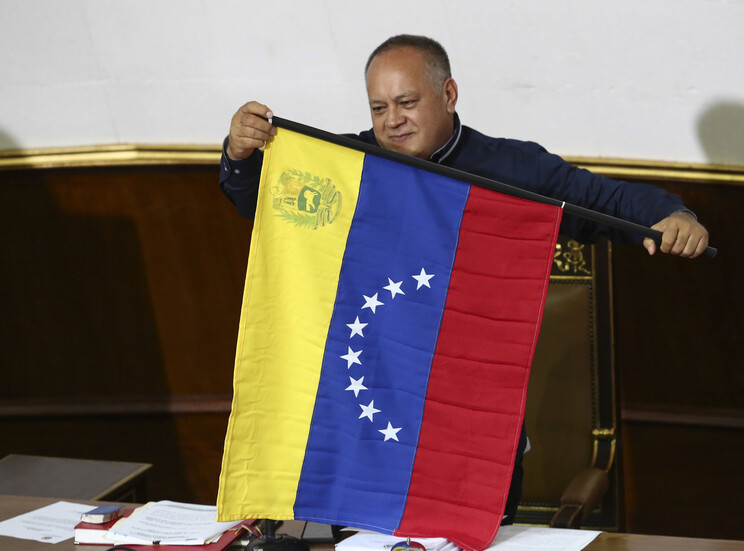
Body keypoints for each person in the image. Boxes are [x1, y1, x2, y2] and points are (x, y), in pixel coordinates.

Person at [219, 34, 709, 522]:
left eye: (407, 103)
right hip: (368, 421)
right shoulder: (348, 166)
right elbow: (261, 201)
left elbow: (605, 201)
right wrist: (239, 155)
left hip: (472, 430)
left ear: (449, 94)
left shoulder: (513, 168)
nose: (392, 120)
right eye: (379, 108)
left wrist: (673, 215)